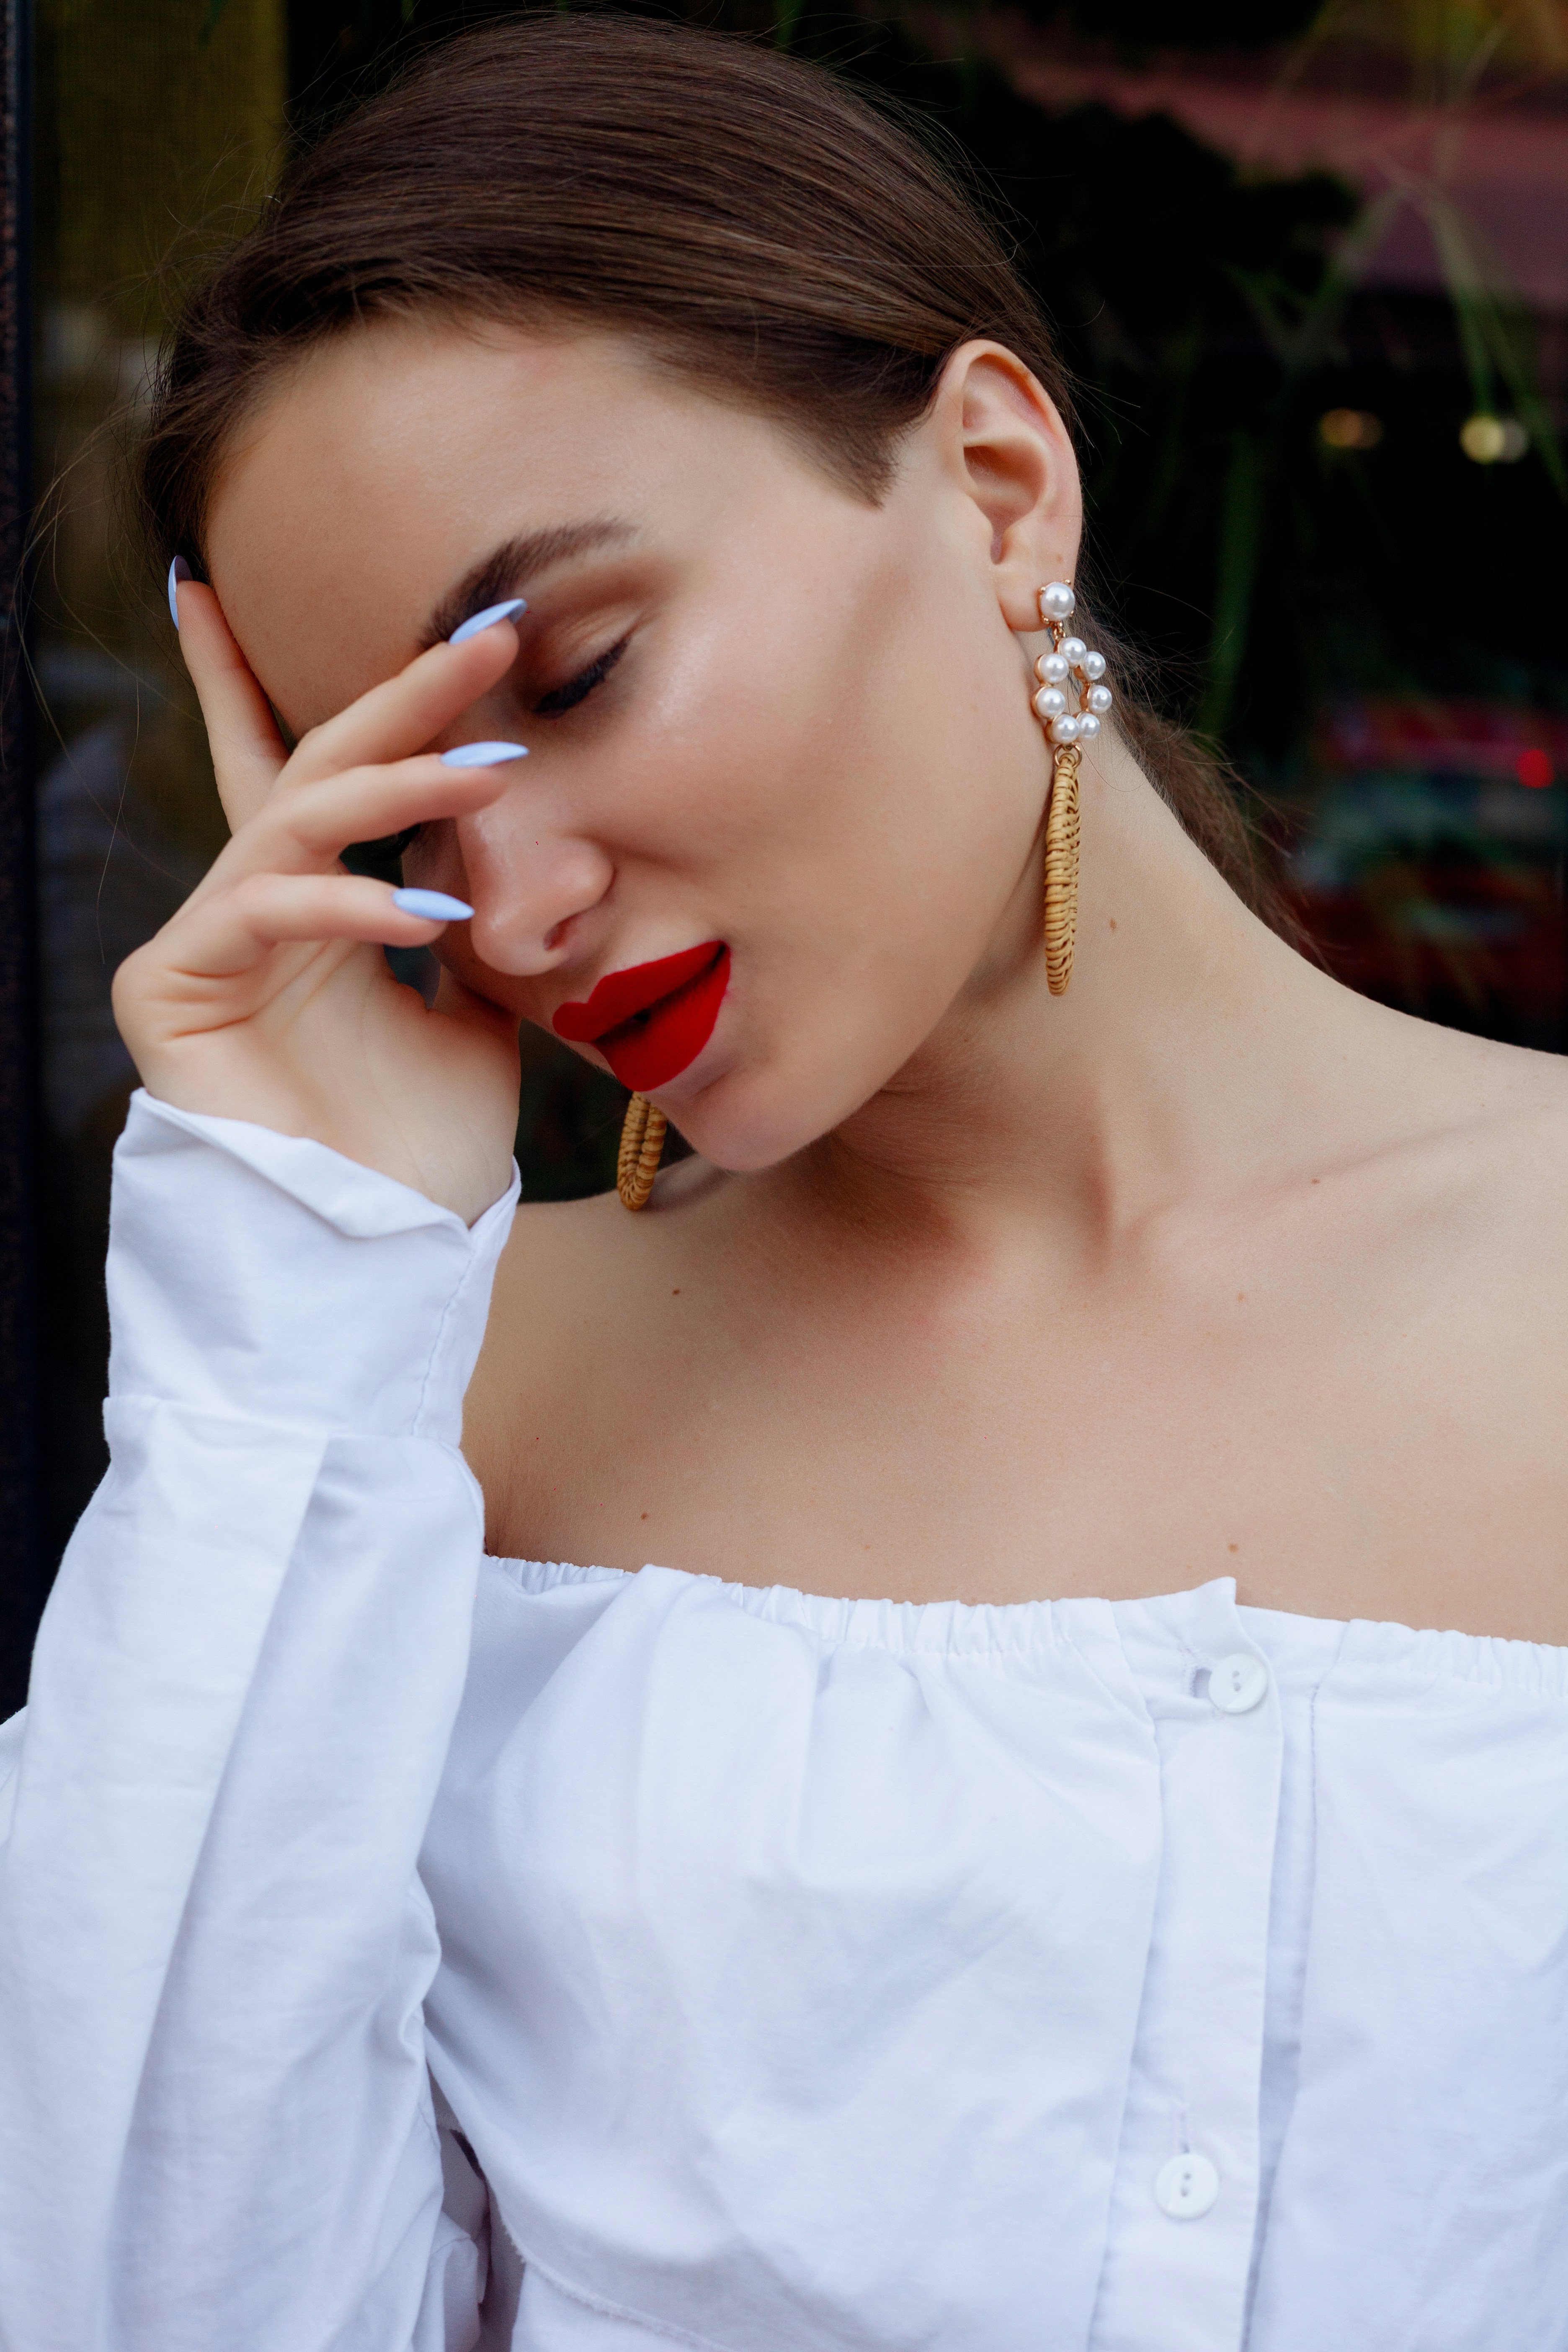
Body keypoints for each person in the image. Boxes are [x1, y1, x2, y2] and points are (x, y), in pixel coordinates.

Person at [3, 17, 1567, 2351]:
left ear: (1000, 482)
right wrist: (302, 1247)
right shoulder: (421, 1414)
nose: (507, 899)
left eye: (584, 668)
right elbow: (138, 2285)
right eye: (397, 822)